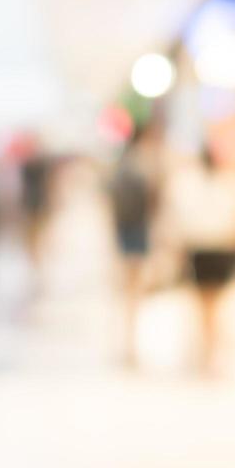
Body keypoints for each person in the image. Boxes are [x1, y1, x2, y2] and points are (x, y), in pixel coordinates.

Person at [168, 145, 235, 375]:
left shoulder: (190, 185)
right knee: (215, 305)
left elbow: (182, 219)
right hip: (221, 248)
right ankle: (211, 351)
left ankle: (208, 351)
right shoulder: (231, 185)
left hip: (201, 249)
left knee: (204, 304)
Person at [108, 125, 160, 366]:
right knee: (134, 287)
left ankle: (129, 339)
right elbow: (154, 200)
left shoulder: (121, 164)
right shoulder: (143, 165)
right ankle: (130, 339)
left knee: (130, 286)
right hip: (137, 230)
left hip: (125, 230)